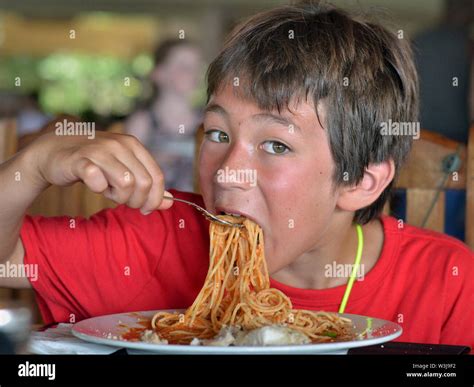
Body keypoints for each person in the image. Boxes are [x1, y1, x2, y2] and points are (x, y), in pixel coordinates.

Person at [0, 1, 472, 349]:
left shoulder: (447, 283)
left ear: (360, 182)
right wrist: (30, 167)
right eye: (219, 134)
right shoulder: (154, 241)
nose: (228, 174)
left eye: (276, 145)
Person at [126, 39, 203, 192]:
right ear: (158, 74)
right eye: (183, 67)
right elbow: (127, 169)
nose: (192, 73)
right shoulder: (143, 121)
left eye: (196, 66)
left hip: (198, 210)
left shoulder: (207, 121)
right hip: (153, 210)